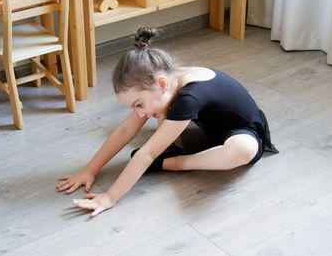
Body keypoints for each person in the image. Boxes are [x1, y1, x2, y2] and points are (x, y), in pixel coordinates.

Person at [56, 27, 279, 216]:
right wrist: (91, 169)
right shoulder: (166, 80)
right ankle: (171, 148)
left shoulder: (187, 97)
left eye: (138, 104)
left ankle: (172, 162)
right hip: (210, 125)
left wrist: (110, 197)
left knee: (243, 150)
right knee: (160, 108)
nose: (140, 114)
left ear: (162, 83)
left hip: (241, 130)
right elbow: (126, 129)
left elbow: (146, 154)